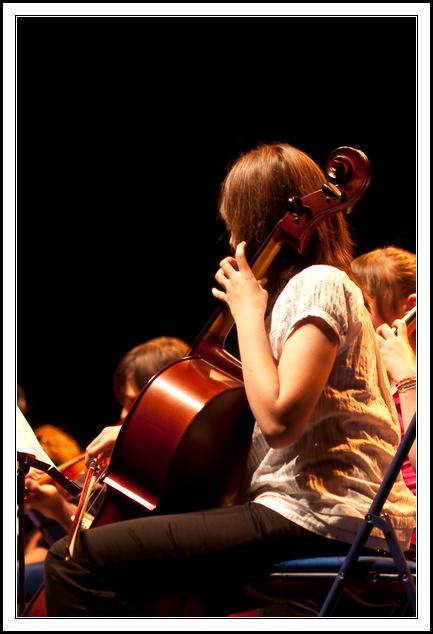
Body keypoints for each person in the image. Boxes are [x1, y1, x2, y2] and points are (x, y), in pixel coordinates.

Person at [43, 142, 416, 617]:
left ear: (255, 218)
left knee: (76, 562)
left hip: (322, 512)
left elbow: (280, 420)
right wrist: (135, 435)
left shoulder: (319, 282)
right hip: (306, 512)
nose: (232, 235)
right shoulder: (291, 297)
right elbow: (253, 419)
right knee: (154, 586)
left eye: (234, 221)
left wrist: (247, 312)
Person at [24, 336, 190, 542]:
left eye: (132, 402)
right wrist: (55, 507)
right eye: (123, 402)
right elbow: (99, 536)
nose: (122, 413)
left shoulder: (177, 468)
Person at [351, 246, 416, 554]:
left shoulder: (410, 376)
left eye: (363, 306)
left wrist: (407, 378)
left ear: (410, 310)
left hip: (407, 543)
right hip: (370, 529)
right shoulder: (369, 372)